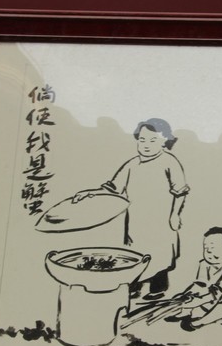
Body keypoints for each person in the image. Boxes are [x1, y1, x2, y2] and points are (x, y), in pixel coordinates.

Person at [74, 118, 189, 300]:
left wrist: (175, 215)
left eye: (152, 140)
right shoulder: (131, 164)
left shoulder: (169, 161)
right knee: (134, 254)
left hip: (161, 220)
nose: (146, 145)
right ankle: (134, 287)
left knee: (161, 253)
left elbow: (180, 191)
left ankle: (158, 289)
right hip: (136, 220)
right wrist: (90, 193)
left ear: (164, 142)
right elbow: (113, 188)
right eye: (142, 140)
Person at [168, 227, 222, 331]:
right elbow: (199, 285)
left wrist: (195, 301)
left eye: (213, 247)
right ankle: (187, 313)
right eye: (206, 248)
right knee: (196, 302)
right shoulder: (204, 264)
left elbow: (217, 293)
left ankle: (200, 322)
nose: (208, 251)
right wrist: (186, 295)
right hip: (213, 297)